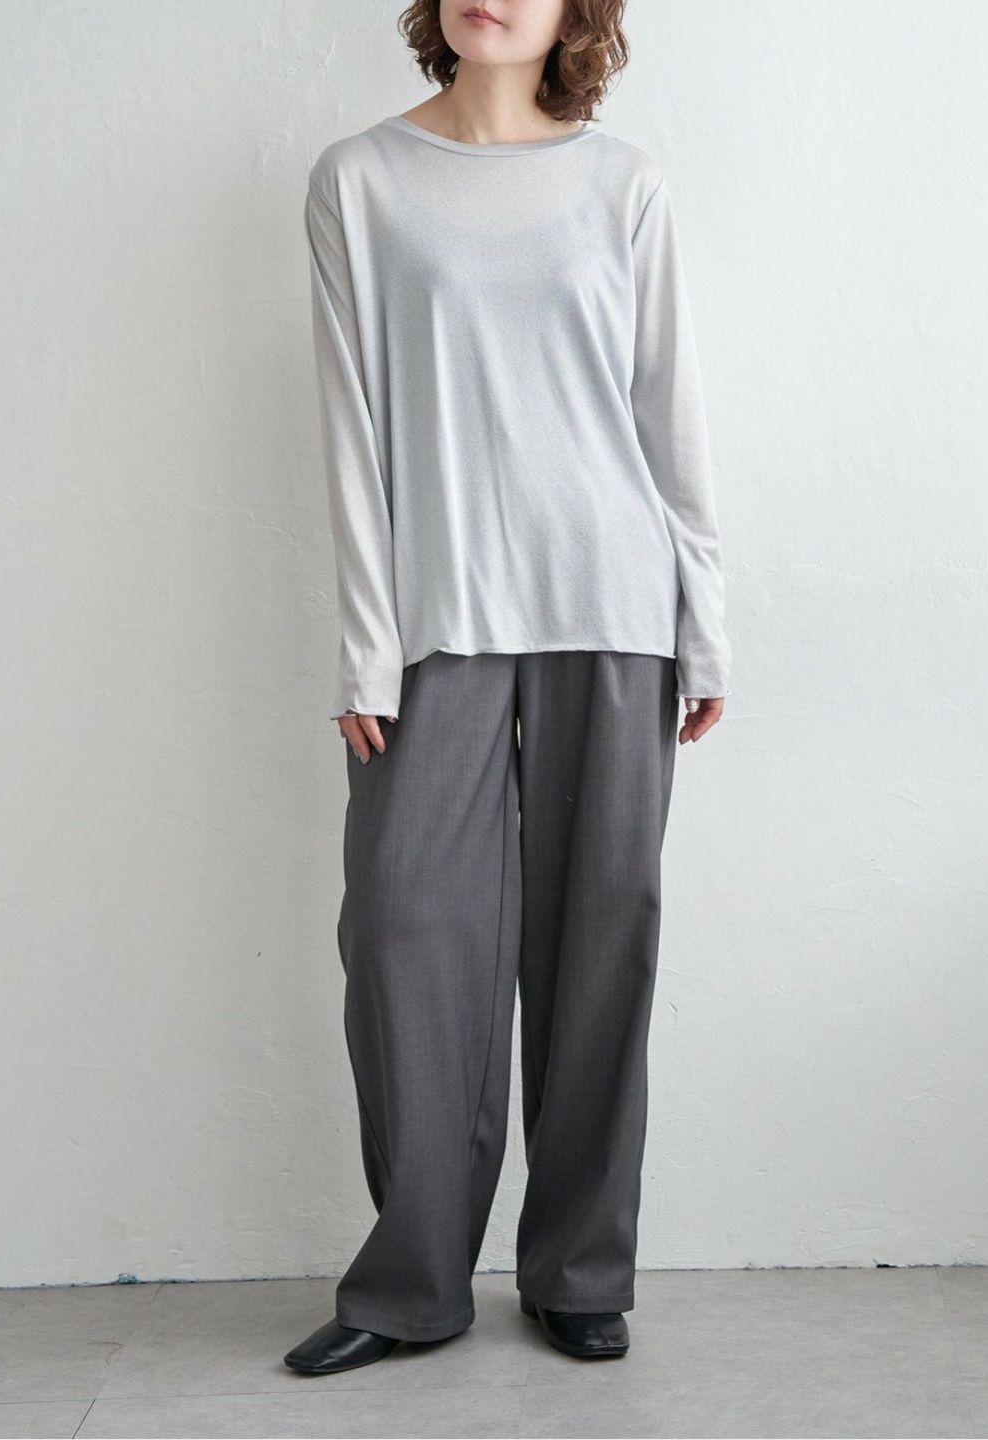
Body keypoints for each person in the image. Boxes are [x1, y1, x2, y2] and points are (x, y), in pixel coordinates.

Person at [285, 0, 731, 1374]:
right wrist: (365, 644)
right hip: (438, 622)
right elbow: (351, 427)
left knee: (603, 941)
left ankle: (579, 1270)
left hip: (614, 610)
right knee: (404, 936)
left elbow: (669, 411)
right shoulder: (359, 182)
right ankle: (411, 1284)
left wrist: (704, 623)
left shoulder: (624, 183)